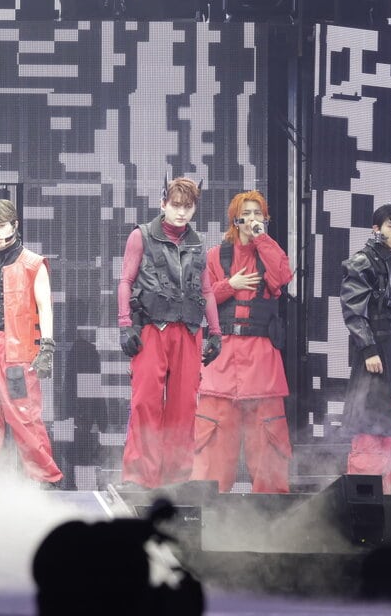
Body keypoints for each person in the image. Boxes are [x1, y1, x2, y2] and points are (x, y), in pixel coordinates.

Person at [118, 177, 222, 489]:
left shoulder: (198, 243)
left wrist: (215, 332)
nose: (181, 212)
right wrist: (125, 324)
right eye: (176, 205)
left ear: (194, 209)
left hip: (188, 331)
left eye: (187, 207)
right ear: (163, 203)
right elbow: (126, 281)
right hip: (152, 328)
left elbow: (207, 290)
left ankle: (176, 478)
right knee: (146, 403)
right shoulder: (141, 236)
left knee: (184, 407)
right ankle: (140, 477)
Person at [192, 191, 293, 493]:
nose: (252, 218)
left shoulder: (270, 252)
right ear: (234, 219)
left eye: (257, 213)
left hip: (262, 363)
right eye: (246, 213)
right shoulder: (215, 256)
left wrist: (262, 239)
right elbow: (199, 300)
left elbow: (282, 277)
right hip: (221, 361)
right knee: (213, 444)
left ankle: (271, 512)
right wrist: (230, 285)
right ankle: (208, 510)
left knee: (268, 444)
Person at [0, 199, 63, 487]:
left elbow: (45, 306)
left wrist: (47, 347)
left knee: (24, 415)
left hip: (17, 350)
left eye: (1, 226)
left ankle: (44, 477)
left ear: (15, 225)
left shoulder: (33, 263)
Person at [340, 203, 391, 491]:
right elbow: (353, 311)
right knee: (373, 419)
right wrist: (369, 348)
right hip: (379, 344)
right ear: (377, 228)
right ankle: (368, 494)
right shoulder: (363, 261)